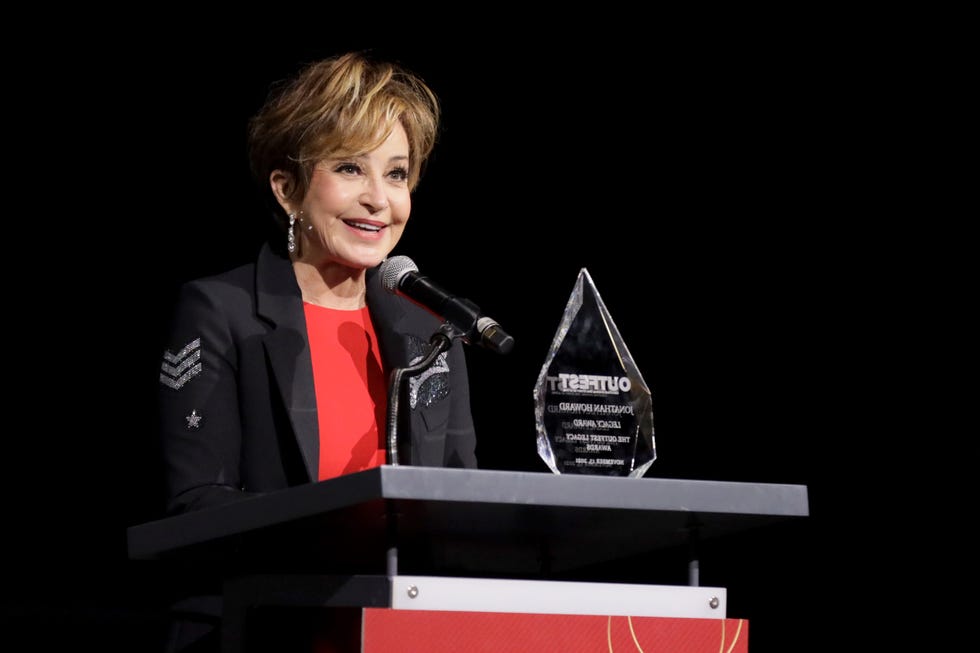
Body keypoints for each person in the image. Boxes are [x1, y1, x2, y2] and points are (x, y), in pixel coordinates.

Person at [155, 50, 479, 652]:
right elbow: (198, 503)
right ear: (288, 189)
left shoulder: (430, 331)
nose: (379, 198)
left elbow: (461, 501)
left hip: (402, 633)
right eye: (351, 168)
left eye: (398, 173)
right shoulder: (219, 312)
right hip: (260, 627)